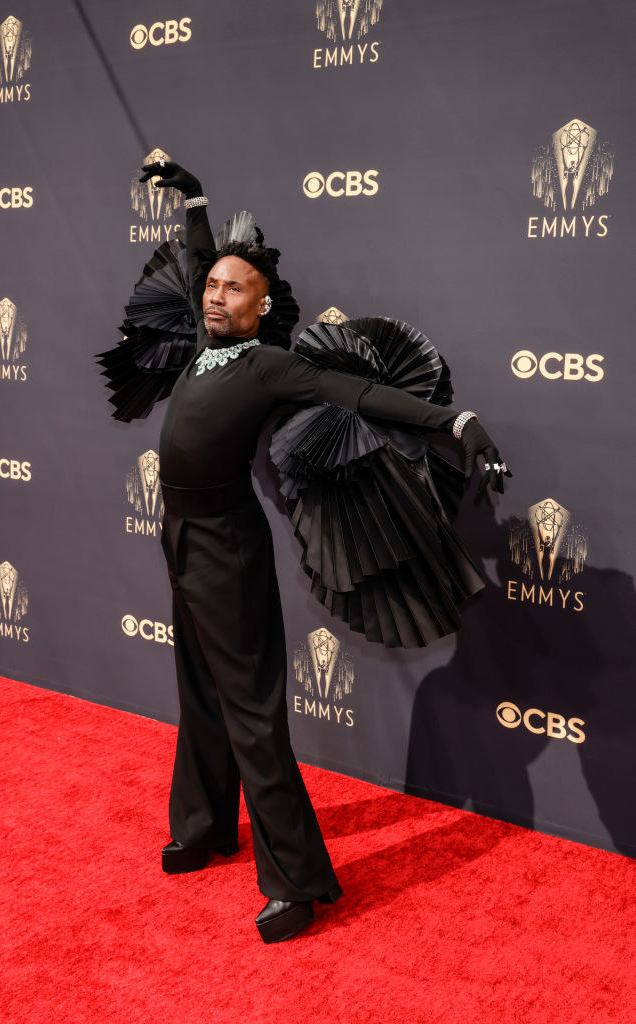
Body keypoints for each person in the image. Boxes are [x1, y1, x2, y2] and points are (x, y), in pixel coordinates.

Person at [135, 158, 510, 943]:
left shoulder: (271, 364)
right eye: (211, 286)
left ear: (261, 306)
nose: (213, 294)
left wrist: (456, 421)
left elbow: (363, 396)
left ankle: (295, 883)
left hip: (224, 544)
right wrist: (193, 196)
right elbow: (203, 260)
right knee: (198, 687)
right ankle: (205, 825)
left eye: (233, 290)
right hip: (177, 534)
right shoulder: (203, 339)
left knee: (248, 708)